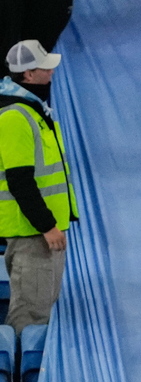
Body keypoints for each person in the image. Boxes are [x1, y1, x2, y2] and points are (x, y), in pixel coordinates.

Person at [0, 39, 67, 330]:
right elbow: (21, 182)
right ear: (28, 75)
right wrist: (47, 225)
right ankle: (23, 375)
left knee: (39, 311)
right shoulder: (16, 117)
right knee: (30, 319)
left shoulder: (35, 111)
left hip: (40, 232)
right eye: (44, 68)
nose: (51, 73)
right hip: (33, 233)